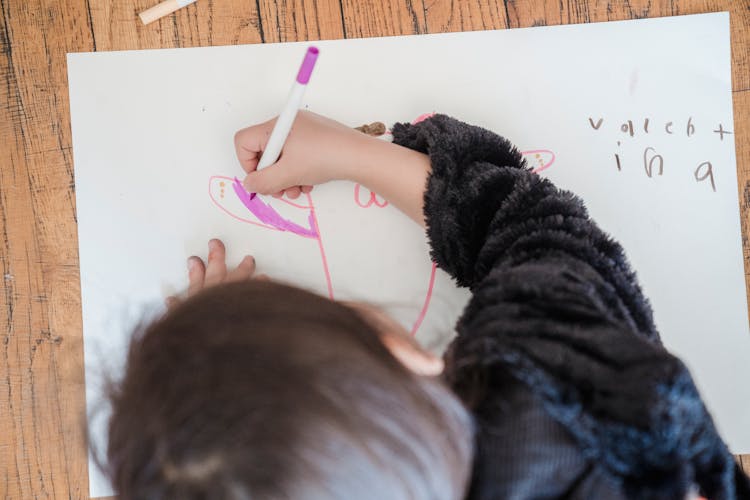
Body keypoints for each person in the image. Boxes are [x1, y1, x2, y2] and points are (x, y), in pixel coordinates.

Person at [105, 111, 750, 500]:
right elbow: (536, 232)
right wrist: (352, 150)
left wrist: (218, 369)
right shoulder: (551, 390)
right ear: (397, 350)